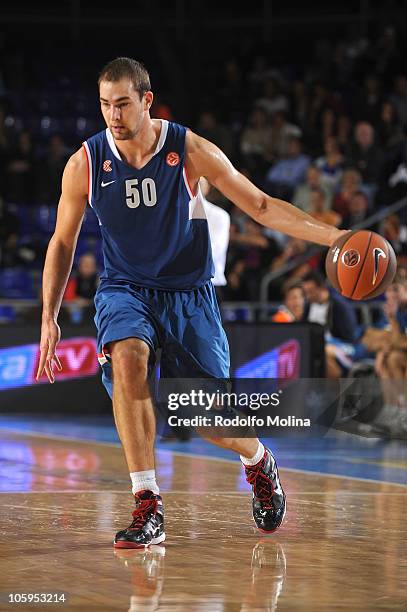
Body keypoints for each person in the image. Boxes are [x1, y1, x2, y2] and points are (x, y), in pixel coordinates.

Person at [37, 57, 347, 549]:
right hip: (125, 289)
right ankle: (147, 504)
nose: (113, 116)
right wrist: (49, 316)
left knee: (209, 419)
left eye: (122, 104)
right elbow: (61, 242)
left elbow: (262, 207)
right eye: (104, 105)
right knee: (128, 360)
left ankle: (258, 460)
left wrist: (336, 237)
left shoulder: (190, 149)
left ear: (146, 100)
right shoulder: (86, 162)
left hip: (188, 296)